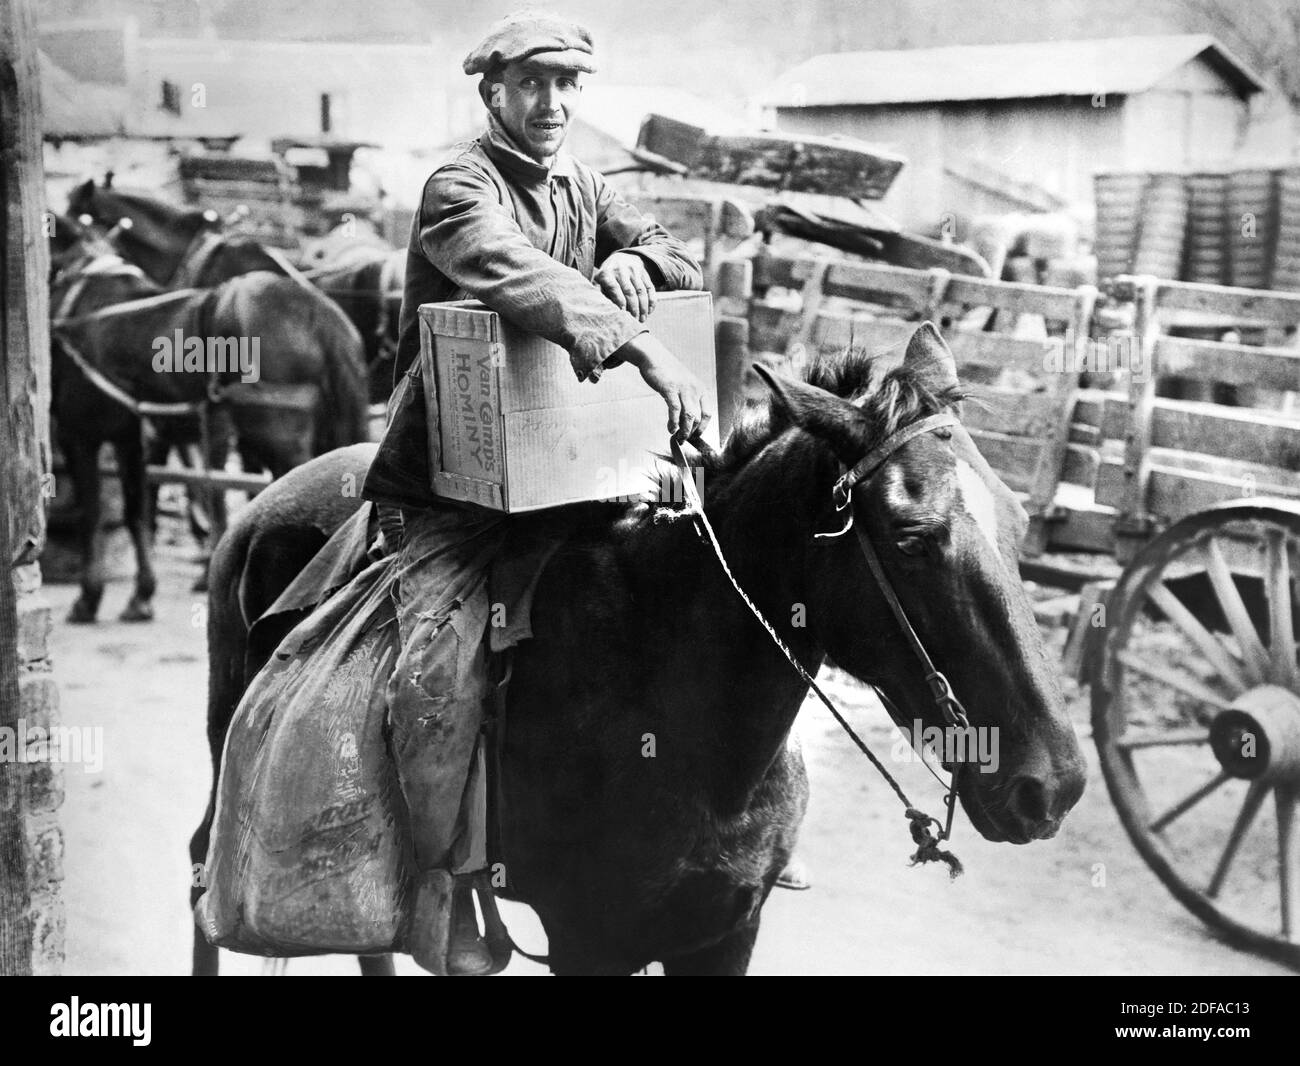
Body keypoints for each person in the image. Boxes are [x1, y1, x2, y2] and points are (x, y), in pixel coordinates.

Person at [360, 11, 709, 975]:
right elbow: (519, 277)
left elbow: (679, 252)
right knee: (436, 681)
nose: (553, 104)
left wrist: (637, 259)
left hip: (569, 483)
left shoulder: (586, 185)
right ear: (493, 94)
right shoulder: (458, 186)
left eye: (568, 87)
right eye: (532, 86)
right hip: (450, 491)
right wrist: (640, 345)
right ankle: (439, 885)